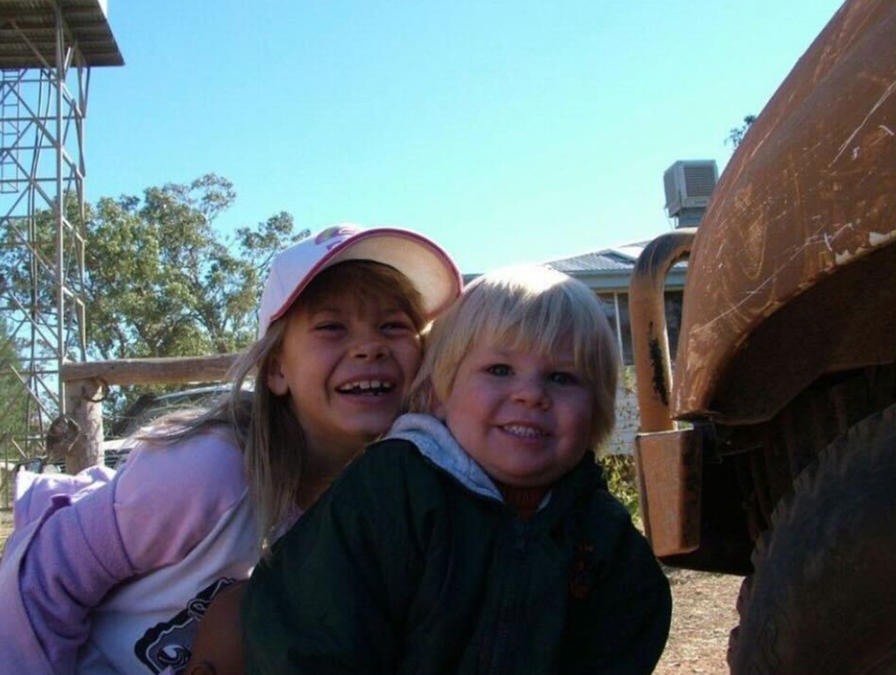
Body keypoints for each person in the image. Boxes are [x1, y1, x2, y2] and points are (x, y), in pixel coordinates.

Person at [0, 223, 462, 675]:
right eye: (332, 327)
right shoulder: (210, 471)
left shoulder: (391, 501)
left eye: (394, 326)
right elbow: (45, 574)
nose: (368, 347)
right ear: (276, 370)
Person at [238, 264, 671, 674]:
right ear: (436, 394)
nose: (530, 395)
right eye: (499, 370)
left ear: (596, 411)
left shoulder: (602, 537)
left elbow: (626, 637)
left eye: (562, 377)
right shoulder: (393, 493)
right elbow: (306, 642)